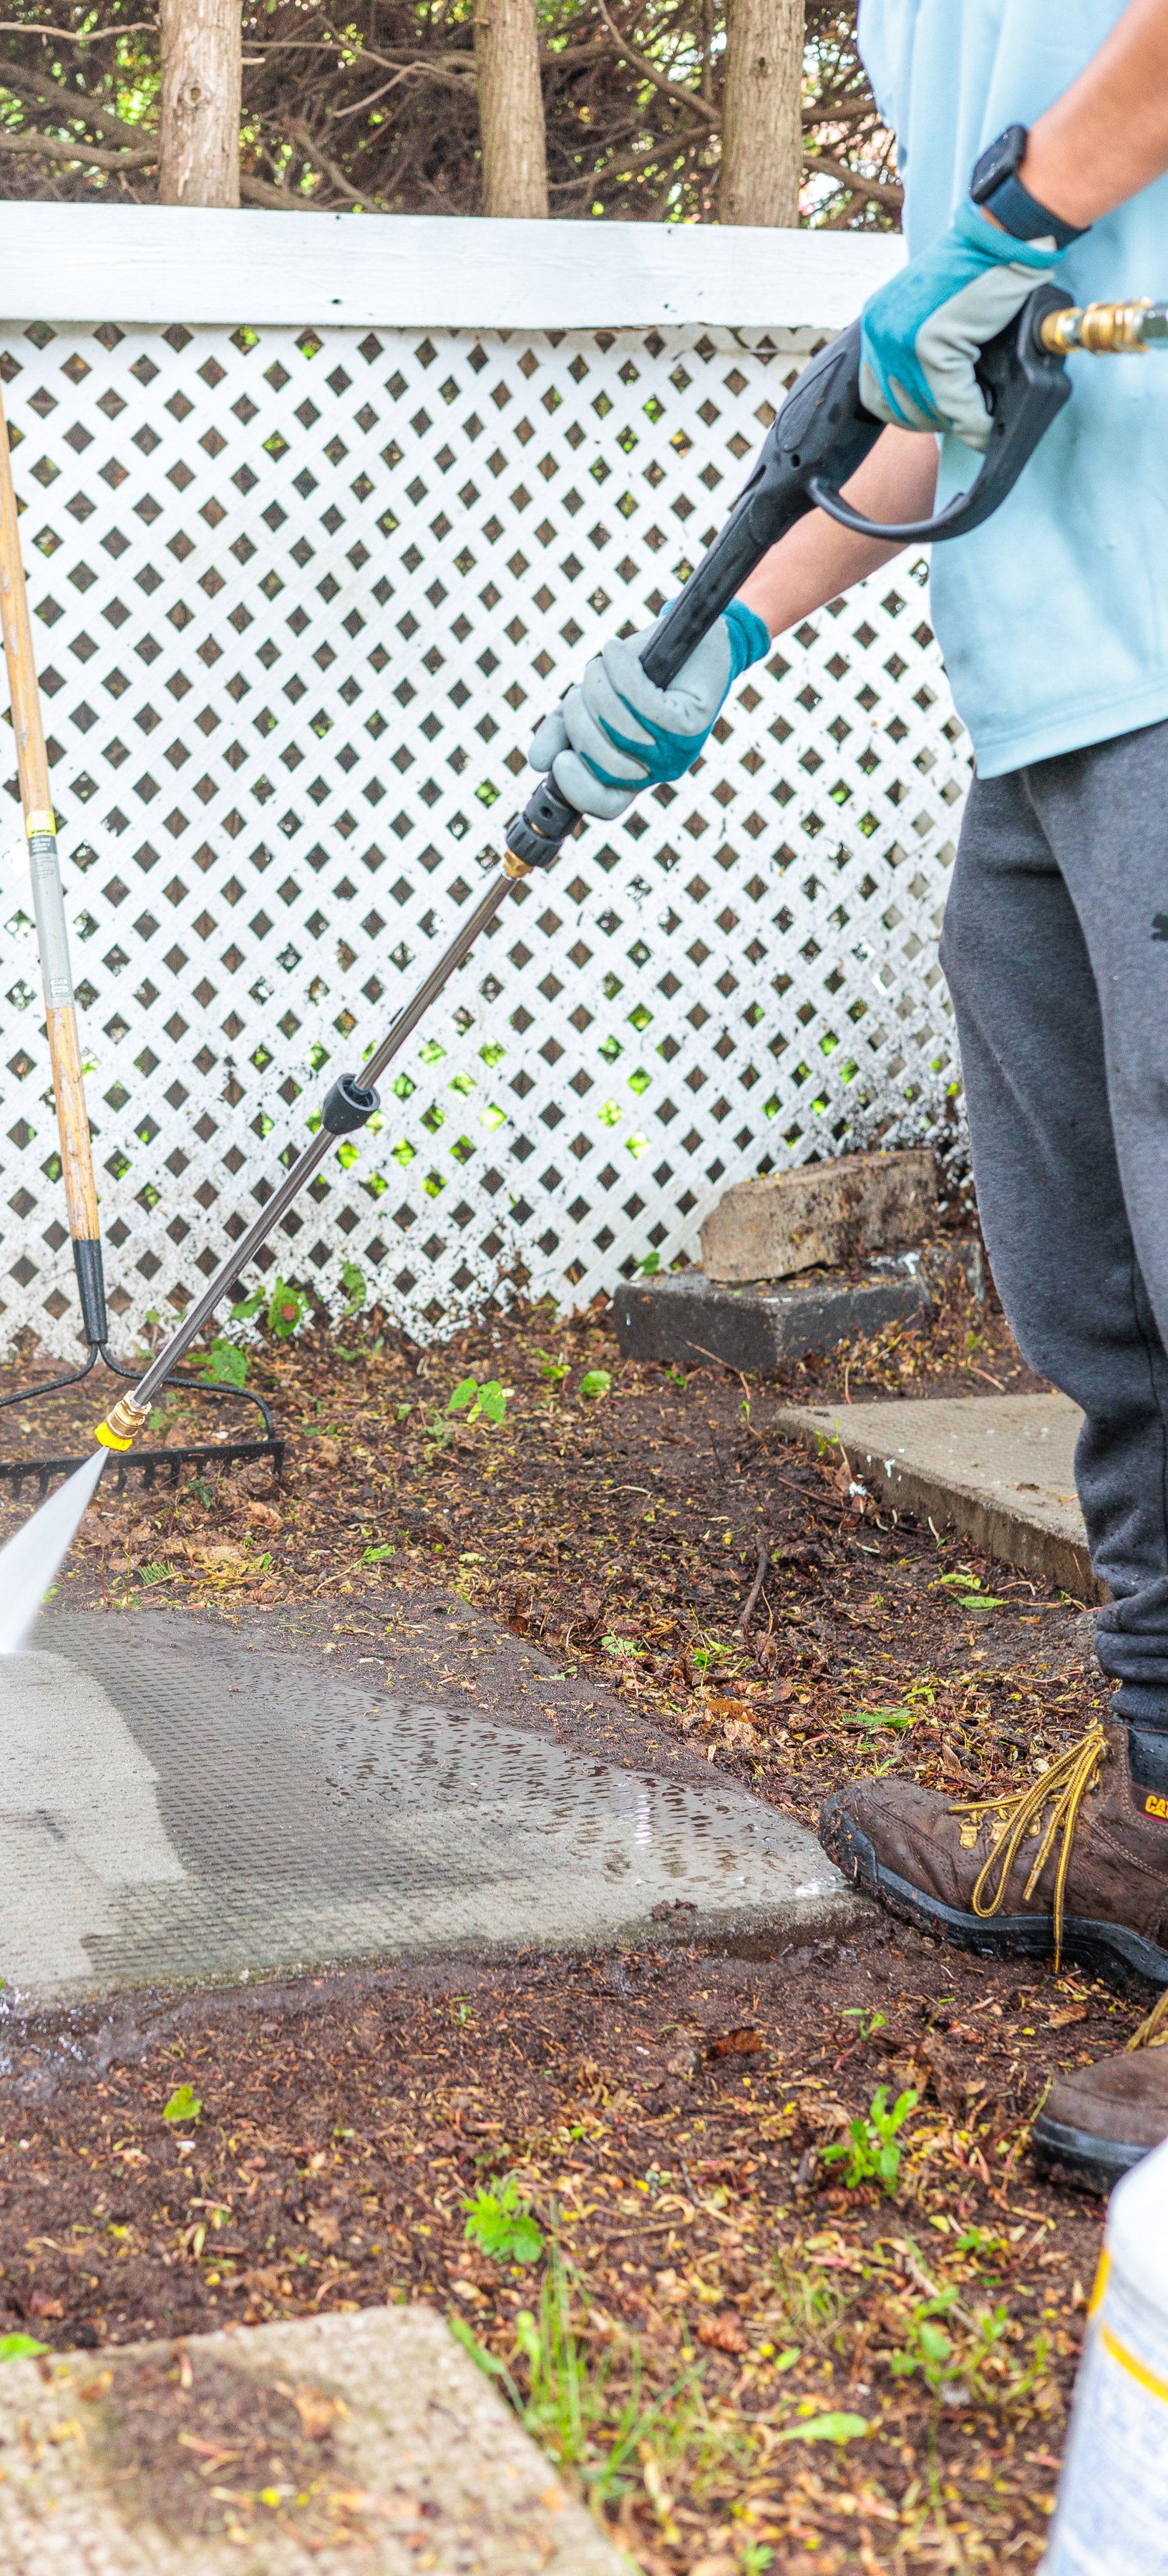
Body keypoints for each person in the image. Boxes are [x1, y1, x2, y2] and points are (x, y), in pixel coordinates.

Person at [532, 0, 1168, 2194]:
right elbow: (972, 357)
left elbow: (1037, 229)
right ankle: (1162, 1823)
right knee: (1108, 1328)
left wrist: (1015, 215)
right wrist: (727, 625)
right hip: (1060, 689)